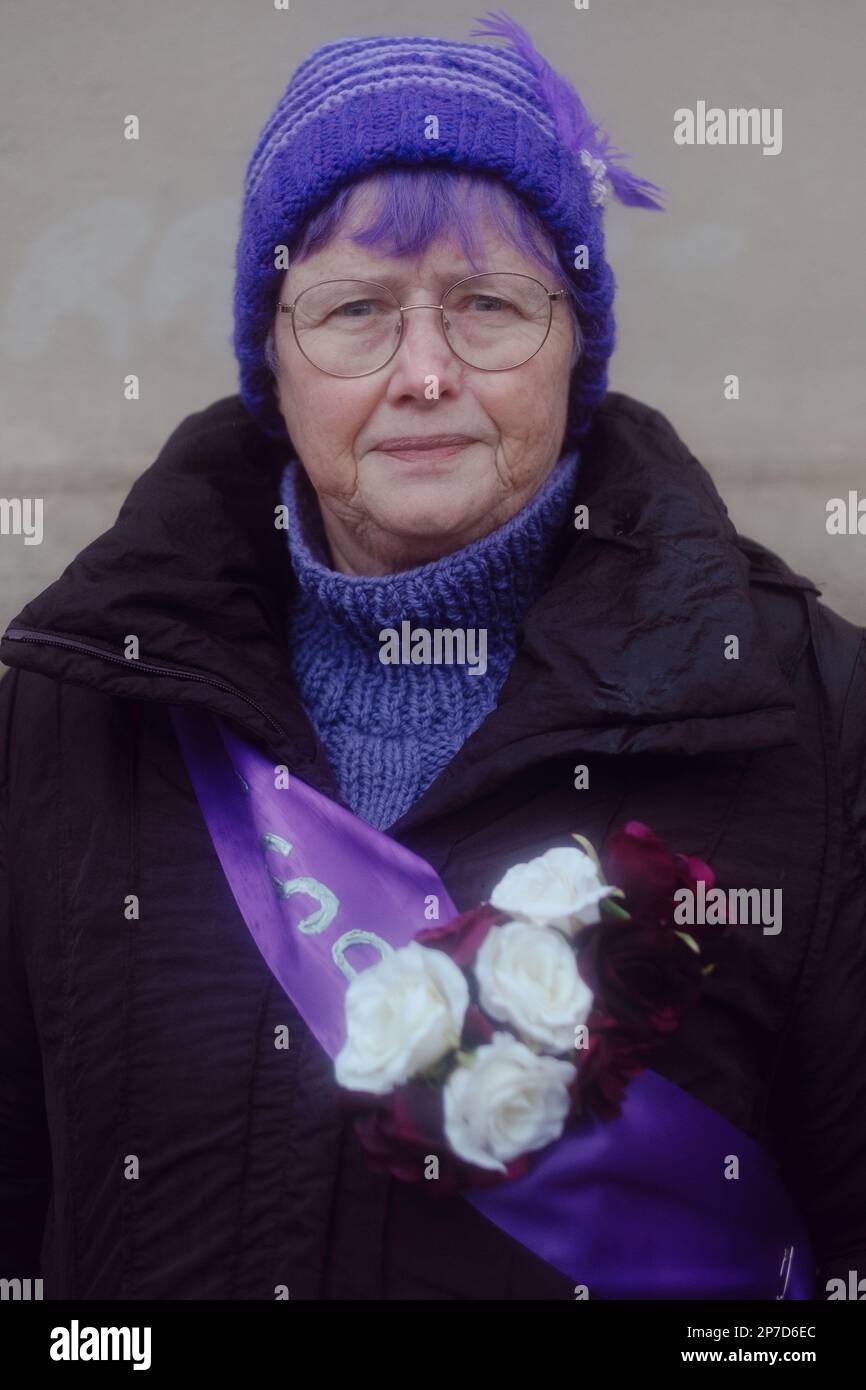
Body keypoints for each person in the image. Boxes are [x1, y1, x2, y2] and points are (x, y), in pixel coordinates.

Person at [1, 12, 864, 1301]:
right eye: (354, 309)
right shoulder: (69, 708)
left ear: (575, 345)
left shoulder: (809, 712)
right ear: (271, 358)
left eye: (488, 305)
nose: (423, 374)